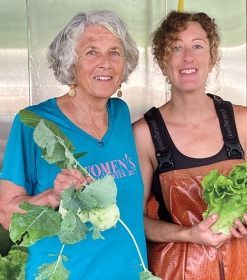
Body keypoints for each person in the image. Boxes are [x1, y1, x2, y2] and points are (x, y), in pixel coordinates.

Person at [0, 10, 148, 280]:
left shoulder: (121, 113)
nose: (105, 63)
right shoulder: (34, 122)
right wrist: (51, 198)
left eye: (115, 52)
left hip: (131, 273)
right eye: (91, 52)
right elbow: (7, 215)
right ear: (71, 64)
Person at [133, 11, 247, 280]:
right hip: (177, 269)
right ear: (163, 61)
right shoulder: (144, 133)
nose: (188, 57)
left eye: (197, 46)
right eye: (176, 47)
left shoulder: (245, 122)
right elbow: (136, 220)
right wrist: (188, 234)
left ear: (212, 57)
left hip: (244, 267)